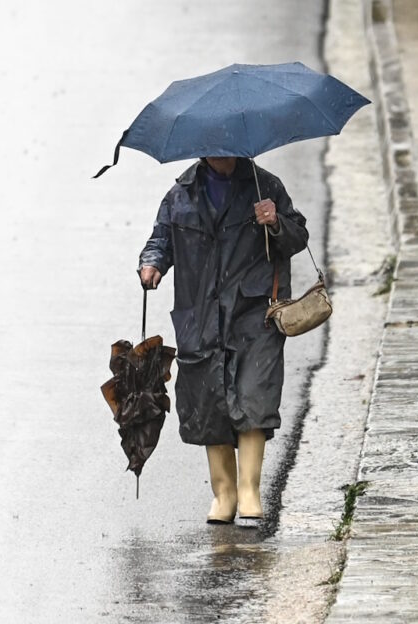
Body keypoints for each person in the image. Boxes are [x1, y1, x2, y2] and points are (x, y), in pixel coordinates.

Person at [138, 156, 308, 526]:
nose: (221, 154)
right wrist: (151, 264)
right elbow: (160, 240)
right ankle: (224, 493)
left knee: (254, 394)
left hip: (254, 311)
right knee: (209, 401)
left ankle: (249, 491)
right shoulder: (179, 196)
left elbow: (298, 237)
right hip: (200, 314)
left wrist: (276, 221)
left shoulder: (267, 186)